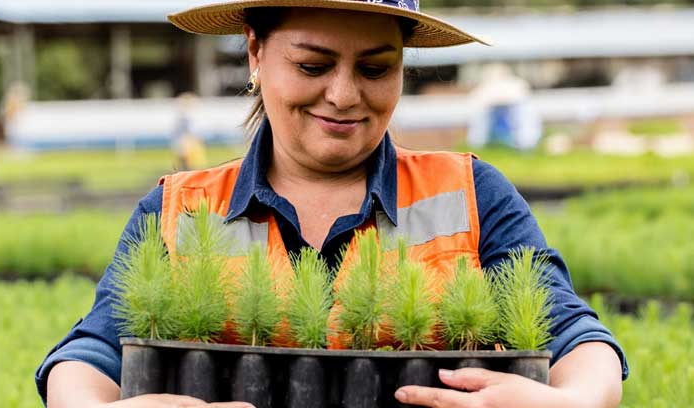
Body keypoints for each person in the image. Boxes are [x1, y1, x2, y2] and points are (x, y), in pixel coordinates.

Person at [36, 1, 628, 407]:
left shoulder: (471, 194)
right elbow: (91, 353)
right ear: (255, 54)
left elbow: (575, 335)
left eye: (376, 68)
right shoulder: (179, 208)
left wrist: (575, 398)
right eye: (312, 65)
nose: (344, 95)